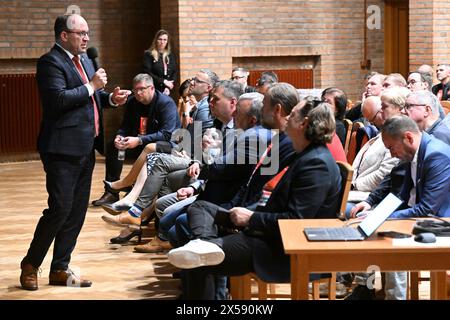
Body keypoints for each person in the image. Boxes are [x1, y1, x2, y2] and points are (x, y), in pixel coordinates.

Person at [168, 101, 342, 299]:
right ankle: (205, 244)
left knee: (196, 259)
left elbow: (295, 220)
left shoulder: (316, 163)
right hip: (269, 233)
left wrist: (251, 218)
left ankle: (204, 249)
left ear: (304, 123)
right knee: (200, 208)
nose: (286, 118)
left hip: (282, 248)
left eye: (292, 114)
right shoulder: (305, 155)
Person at [19, 14, 131, 291]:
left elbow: (90, 98)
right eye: (80, 33)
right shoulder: (50, 62)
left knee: (77, 211)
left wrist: (110, 99)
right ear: (64, 35)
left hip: (85, 147)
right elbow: (57, 101)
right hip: (61, 149)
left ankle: (60, 267)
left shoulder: (86, 61)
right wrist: (92, 86)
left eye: (87, 33)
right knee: (60, 209)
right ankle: (30, 265)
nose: (86, 38)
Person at [91, 73, 180, 206]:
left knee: (147, 147)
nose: (138, 93)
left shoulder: (165, 103)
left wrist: (139, 140)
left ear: (151, 88)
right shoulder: (133, 102)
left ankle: (131, 187)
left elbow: (167, 134)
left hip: (165, 146)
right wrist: (119, 136)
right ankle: (111, 192)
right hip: (140, 142)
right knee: (115, 147)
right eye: (135, 89)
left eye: (142, 89)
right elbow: (125, 126)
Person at [143, 29, 177, 95]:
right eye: (160, 39)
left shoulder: (170, 55)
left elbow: (174, 71)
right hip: (153, 89)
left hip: (167, 90)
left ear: (167, 42)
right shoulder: (149, 54)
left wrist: (168, 86)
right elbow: (147, 72)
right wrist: (163, 81)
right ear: (156, 40)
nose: (162, 42)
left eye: (165, 40)